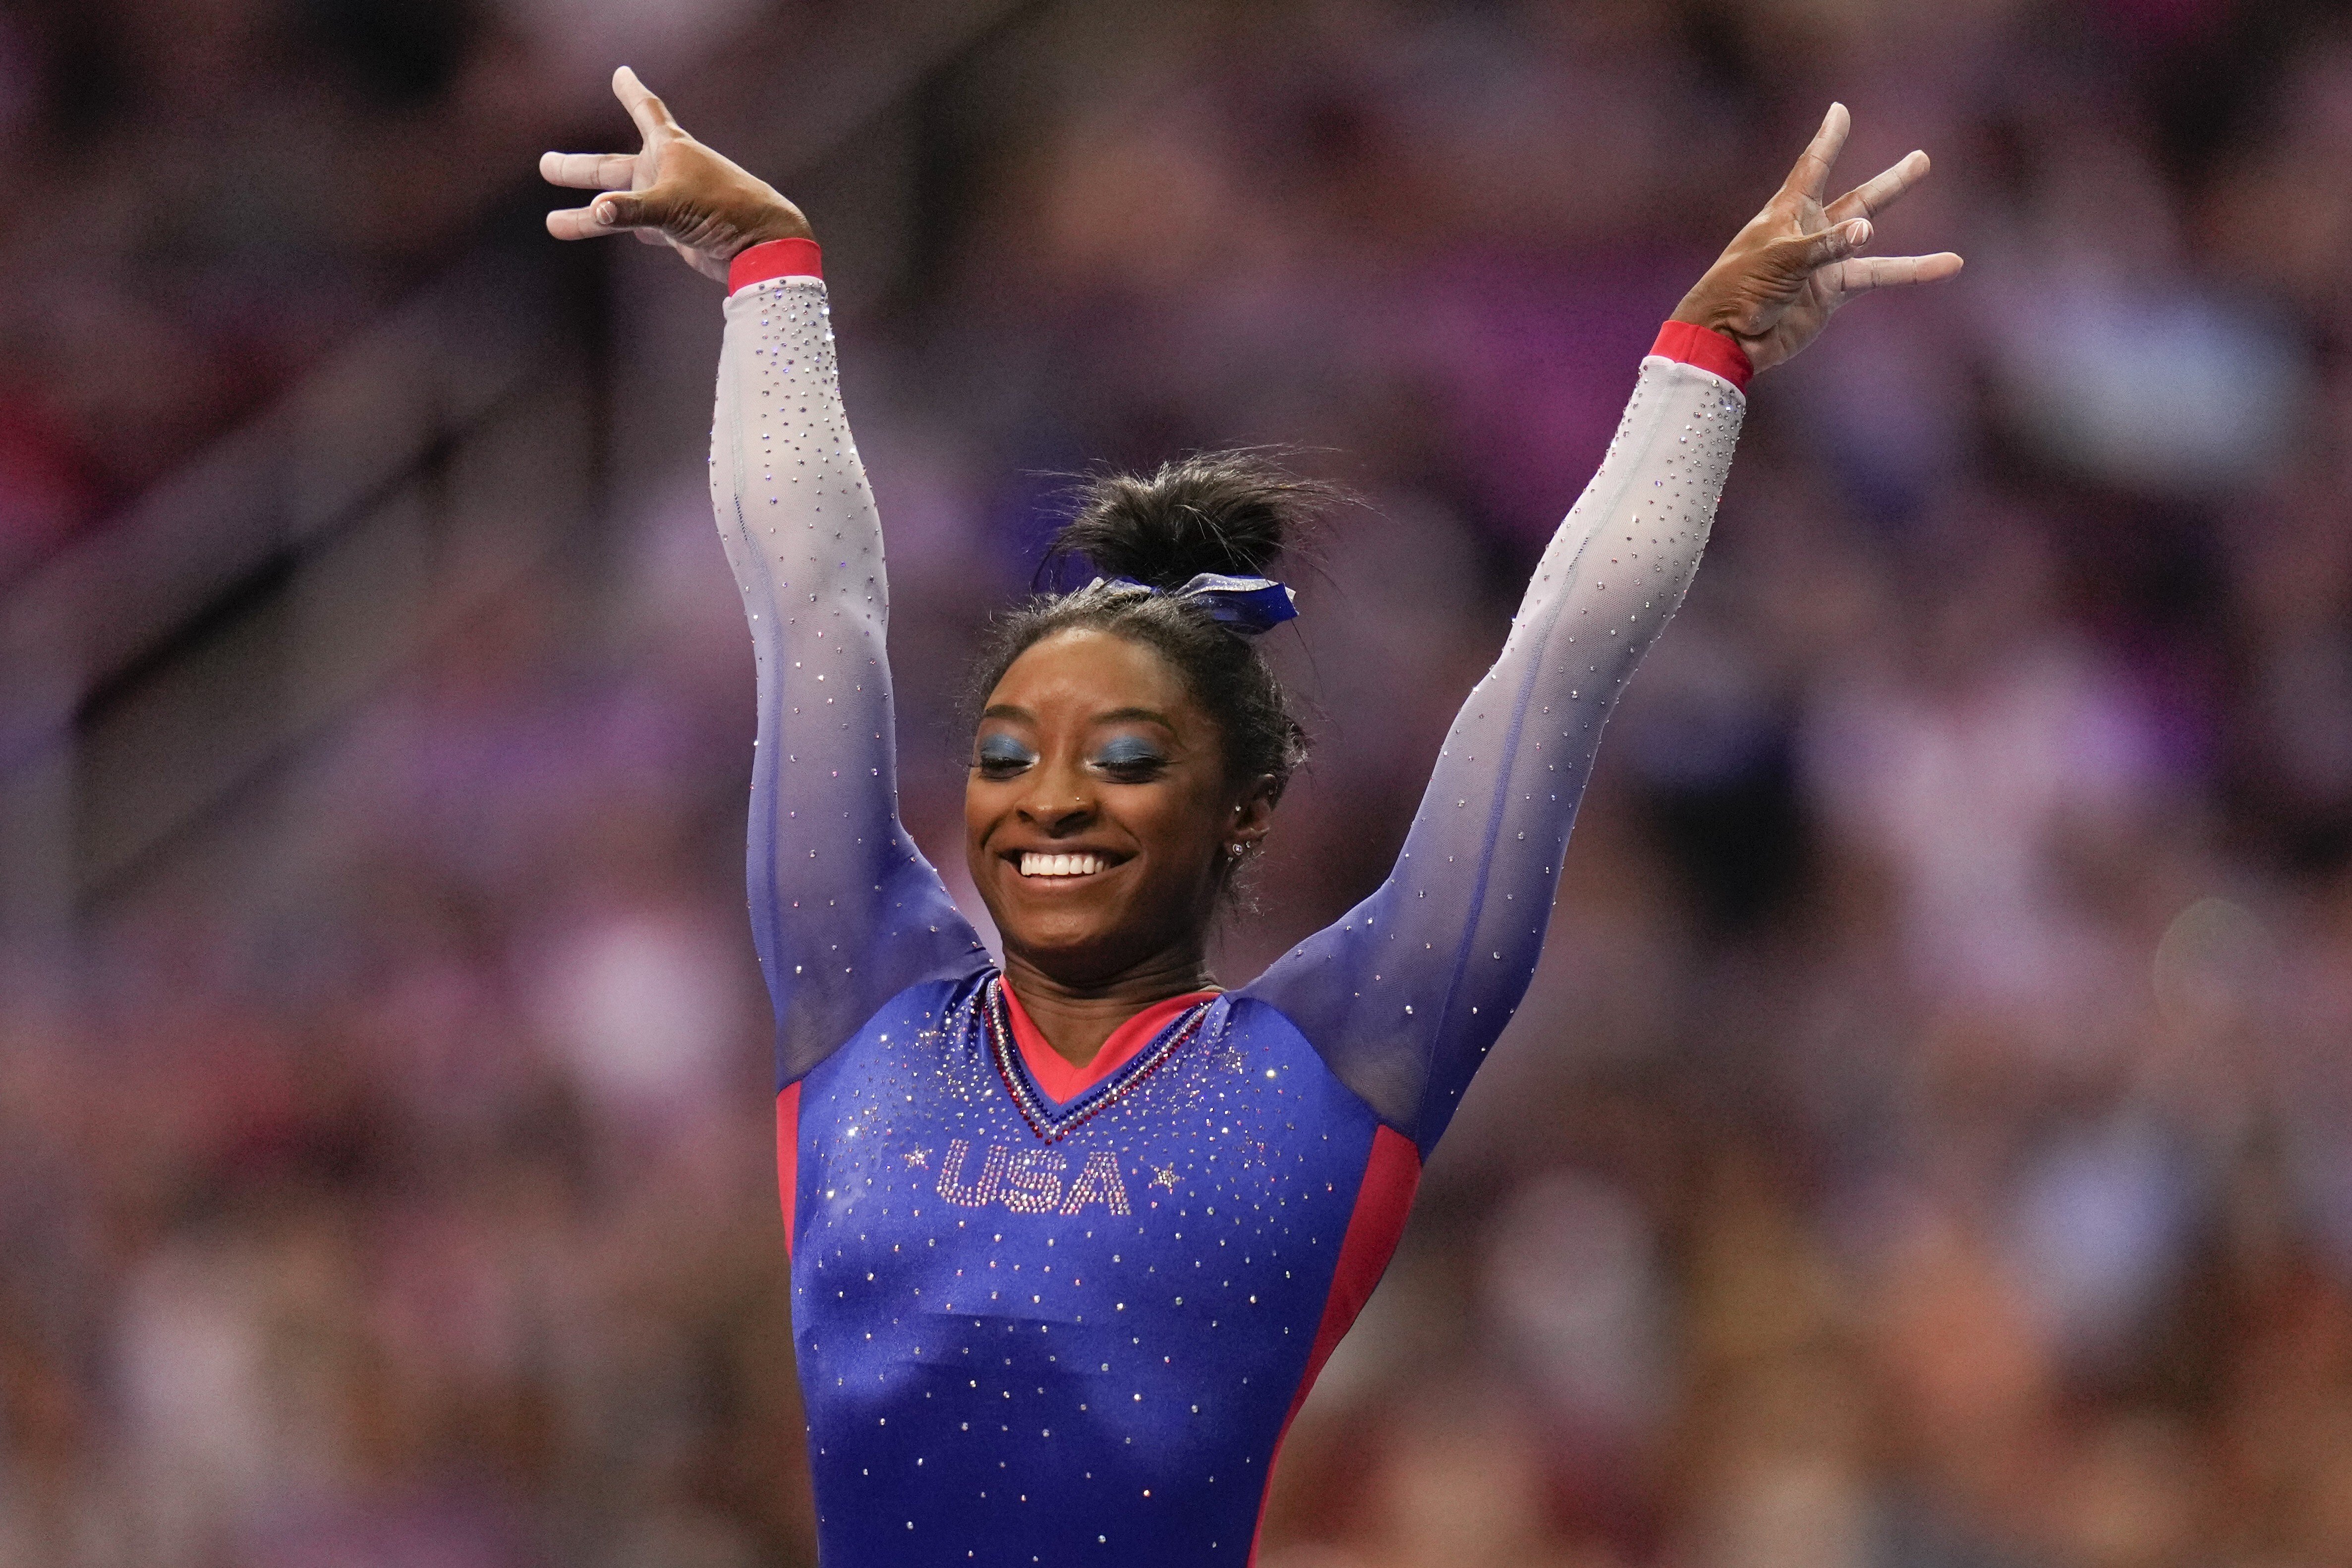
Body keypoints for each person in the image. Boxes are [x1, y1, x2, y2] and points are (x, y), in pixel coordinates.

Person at [542, 66, 1959, 1567]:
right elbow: (812, 603)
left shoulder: (1341, 1059)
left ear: (1244, 811)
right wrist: (769, 274)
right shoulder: (861, 996)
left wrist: (1705, 355)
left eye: (1123, 757)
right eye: (1010, 754)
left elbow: (1550, 675)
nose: (1049, 800)